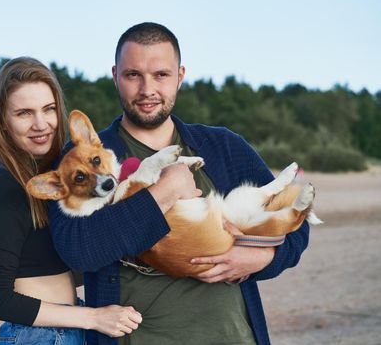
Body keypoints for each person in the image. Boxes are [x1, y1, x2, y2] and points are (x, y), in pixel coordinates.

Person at [48, 23, 310, 345]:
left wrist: (262, 257)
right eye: (133, 75)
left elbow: (297, 223)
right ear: (115, 75)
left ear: (180, 76)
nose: (147, 90)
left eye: (161, 75)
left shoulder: (223, 146)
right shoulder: (84, 159)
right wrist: (162, 193)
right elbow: (78, 250)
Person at [0, 57, 143, 345]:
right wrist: (93, 317)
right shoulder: (6, 188)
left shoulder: (56, 180)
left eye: (49, 109)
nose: (41, 124)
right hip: (40, 336)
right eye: (24, 113)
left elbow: (60, 265)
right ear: (3, 121)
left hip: (60, 329)